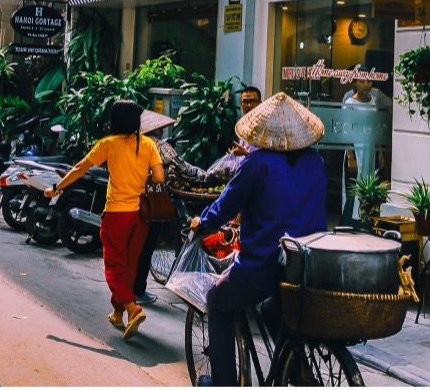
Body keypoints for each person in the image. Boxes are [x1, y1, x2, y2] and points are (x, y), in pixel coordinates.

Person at [189, 92, 327, 386]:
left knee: (217, 298)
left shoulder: (256, 163)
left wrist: (203, 223)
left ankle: (224, 382)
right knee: (274, 310)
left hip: (263, 265)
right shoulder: (317, 163)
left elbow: (226, 205)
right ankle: (296, 367)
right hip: (306, 266)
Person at [44, 100, 164, 340]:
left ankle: (132, 308)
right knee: (128, 266)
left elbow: (80, 167)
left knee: (112, 267)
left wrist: (57, 187)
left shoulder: (108, 144)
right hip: (141, 216)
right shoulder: (149, 144)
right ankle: (118, 314)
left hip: (117, 214)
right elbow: (159, 177)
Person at [133, 109, 177, 305]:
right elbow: (179, 167)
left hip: (133, 200)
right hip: (152, 203)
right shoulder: (160, 146)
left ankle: (131, 288)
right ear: (158, 130)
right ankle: (138, 289)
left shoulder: (133, 144)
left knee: (136, 245)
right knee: (147, 246)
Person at [227, 86, 263, 156]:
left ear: (260, 103)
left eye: (252, 101)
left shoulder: (266, 126)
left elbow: (265, 159)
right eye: (245, 101)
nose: (249, 105)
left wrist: (245, 154)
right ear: (241, 104)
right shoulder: (242, 125)